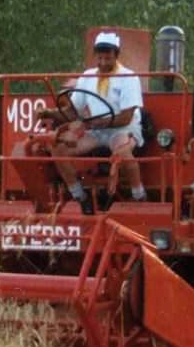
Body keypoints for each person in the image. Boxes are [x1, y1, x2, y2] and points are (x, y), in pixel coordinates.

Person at [34, 31, 147, 214]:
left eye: (108, 58)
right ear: (95, 56)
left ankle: (139, 194)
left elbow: (125, 118)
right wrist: (48, 113)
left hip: (124, 129)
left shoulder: (128, 78)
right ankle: (80, 196)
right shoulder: (87, 77)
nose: (103, 63)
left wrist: (89, 123)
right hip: (97, 131)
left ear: (116, 56)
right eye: (100, 58)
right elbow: (72, 111)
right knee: (58, 148)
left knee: (122, 150)